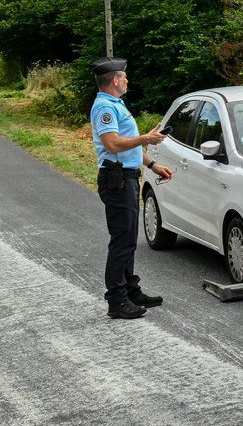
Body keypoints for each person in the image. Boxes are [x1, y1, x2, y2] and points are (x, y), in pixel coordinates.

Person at [90, 57, 174, 319]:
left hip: (126, 176)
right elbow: (113, 144)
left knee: (129, 239)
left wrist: (151, 164)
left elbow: (129, 144)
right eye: (125, 77)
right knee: (122, 240)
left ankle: (130, 290)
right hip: (116, 179)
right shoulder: (104, 107)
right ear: (115, 80)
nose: (127, 81)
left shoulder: (117, 104)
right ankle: (116, 300)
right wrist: (146, 138)